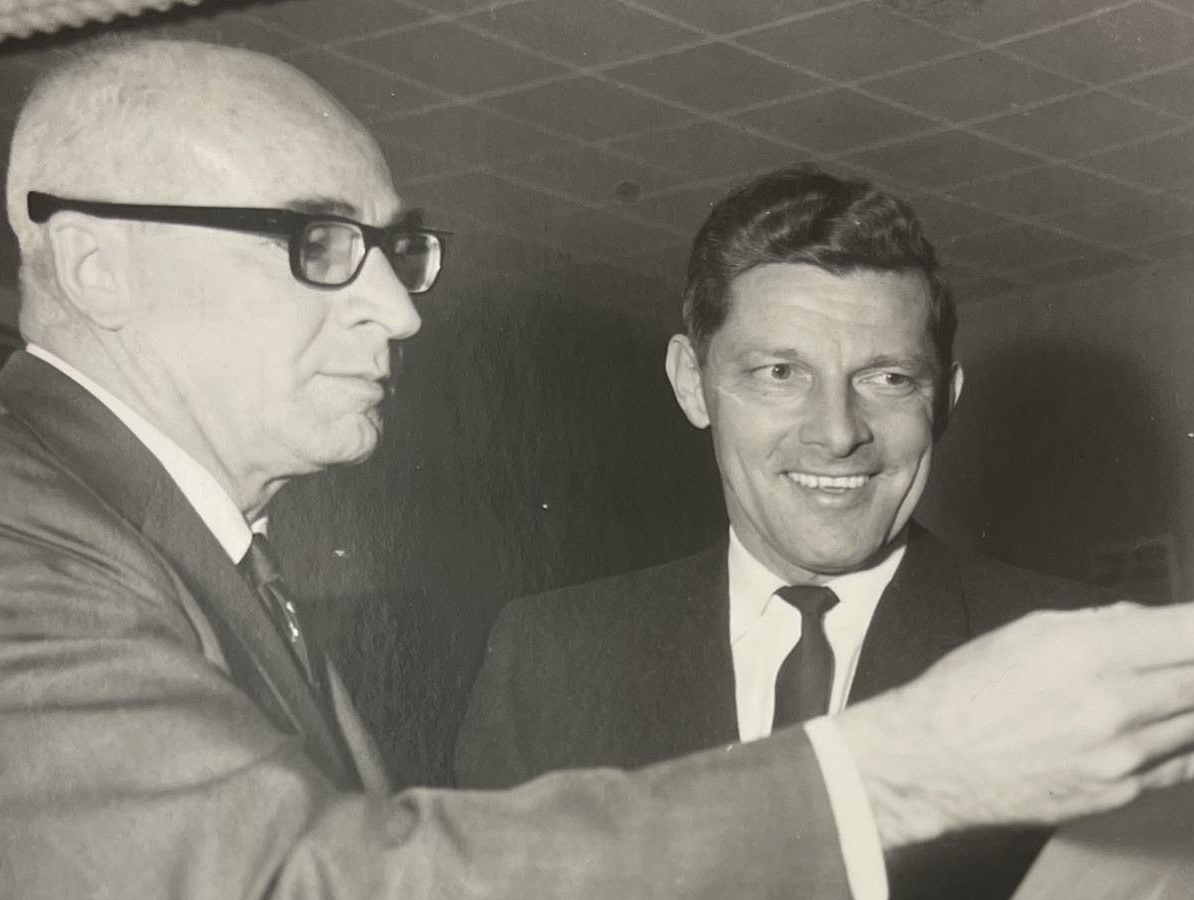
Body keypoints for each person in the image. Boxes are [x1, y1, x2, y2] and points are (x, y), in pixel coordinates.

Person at [0, 39, 1194, 900]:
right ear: (94, 260)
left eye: (400, 252)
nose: (402, 309)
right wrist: (900, 770)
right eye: (320, 244)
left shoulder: (212, 565)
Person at [452, 165, 1129, 896]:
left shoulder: (1076, 656)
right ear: (692, 383)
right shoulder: (551, 662)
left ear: (945, 401)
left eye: (889, 379)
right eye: (780, 372)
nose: (837, 434)